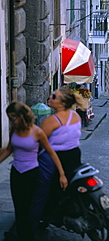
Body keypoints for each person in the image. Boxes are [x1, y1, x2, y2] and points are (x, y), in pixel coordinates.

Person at [0, 101, 67, 241]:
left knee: (28, 207)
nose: (11, 122)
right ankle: (19, 234)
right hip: (16, 173)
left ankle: (28, 235)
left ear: (21, 116)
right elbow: (9, 150)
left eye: (12, 118)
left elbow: (51, 153)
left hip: (31, 173)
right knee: (19, 206)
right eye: (9, 119)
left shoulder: (37, 132)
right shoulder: (15, 130)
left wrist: (62, 174)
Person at [31, 86, 88, 234]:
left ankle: (39, 221)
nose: (50, 98)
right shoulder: (75, 116)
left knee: (45, 189)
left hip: (56, 157)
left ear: (62, 104)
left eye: (54, 97)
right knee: (68, 186)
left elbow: (38, 142)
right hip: (74, 155)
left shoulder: (51, 120)